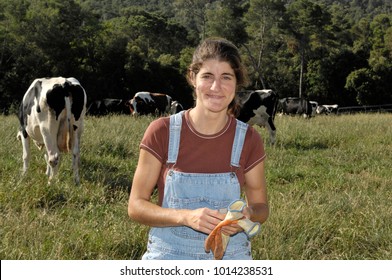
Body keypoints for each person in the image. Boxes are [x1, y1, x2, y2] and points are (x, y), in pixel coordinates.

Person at [128, 37, 269, 260]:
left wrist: (248, 215)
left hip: (230, 255)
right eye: (207, 76)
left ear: (236, 82)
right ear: (193, 78)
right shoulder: (161, 131)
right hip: (169, 256)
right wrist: (185, 217)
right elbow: (136, 206)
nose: (216, 87)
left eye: (226, 77)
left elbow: (261, 207)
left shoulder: (249, 139)